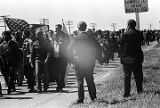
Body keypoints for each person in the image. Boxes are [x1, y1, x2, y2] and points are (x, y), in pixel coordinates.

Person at [68, 21, 102, 103]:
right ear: (85, 27)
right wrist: (96, 57)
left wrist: (72, 60)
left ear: (78, 28)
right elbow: (99, 48)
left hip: (78, 61)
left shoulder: (76, 38)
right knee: (90, 80)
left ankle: (80, 99)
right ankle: (93, 98)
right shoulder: (91, 37)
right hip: (89, 61)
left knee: (80, 81)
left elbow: (69, 49)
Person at [120, 19, 144, 97]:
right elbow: (142, 41)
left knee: (127, 76)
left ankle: (127, 93)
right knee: (138, 75)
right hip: (137, 57)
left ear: (128, 25)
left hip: (127, 57)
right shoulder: (140, 33)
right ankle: (139, 90)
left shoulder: (125, 34)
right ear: (135, 24)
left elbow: (121, 45)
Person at [54, 24, 69, 92]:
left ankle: (60, 86)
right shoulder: (54, 35)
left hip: (63, 57)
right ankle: (60, 84)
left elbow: (68, 46)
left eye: (56, 28)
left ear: (60, 28)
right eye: (55, 28)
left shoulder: (65, 36)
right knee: (56, 72)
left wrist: (62, 44)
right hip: (55, 57)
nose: (55, 30)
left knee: (62, 72)